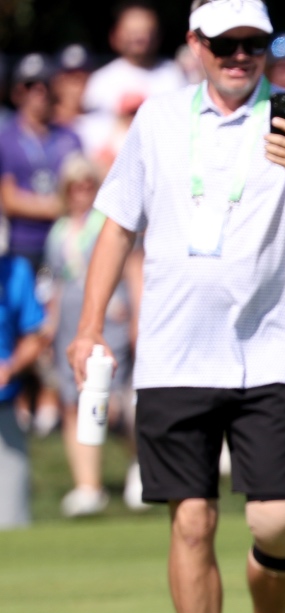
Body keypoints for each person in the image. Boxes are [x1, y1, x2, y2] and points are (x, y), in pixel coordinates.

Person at [67, 0, 285, 613]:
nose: (240, 56)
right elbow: (116, 225)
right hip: (174, 352)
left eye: (254, 43)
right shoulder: (157, 119)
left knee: (275, 521)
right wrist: (89, 326)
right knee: (192, 521)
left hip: (270, 350)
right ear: (196, 44)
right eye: (226, 43)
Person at [50, 154, 145, 517]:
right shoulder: (60, 230)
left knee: (112, 401)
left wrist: (137, 315)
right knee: (72, 401)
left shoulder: (108, 221)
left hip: (110, 320)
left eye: (88, 185)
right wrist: (49, 324)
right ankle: (88, 485)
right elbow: (56, 280)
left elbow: (133, 269)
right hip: (69, 324)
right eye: (75, 187)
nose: (81, 192)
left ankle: (141, 461)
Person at [1, 54, 84, 269]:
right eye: (30, 85)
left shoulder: (70, 137)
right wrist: (58, 205)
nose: (39, 92)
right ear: (17, 91)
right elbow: (9, 200)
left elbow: (84, 191)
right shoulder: (6, 138)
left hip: (65, 240)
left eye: (45, 84)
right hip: (23, 244)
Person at [0, 251, 45, 529]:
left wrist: (10, 367)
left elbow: (34, 335)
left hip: (5, 409)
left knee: (10, 521)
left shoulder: (16, 271)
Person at [83, 1, 188, 116]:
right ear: (114, 35)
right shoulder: (100, 81)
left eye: (146, 31)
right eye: (132, 32)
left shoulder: (174, 75)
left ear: (158, 34)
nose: (139, 38)